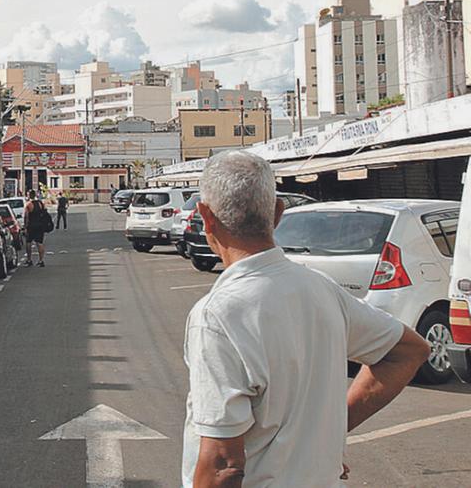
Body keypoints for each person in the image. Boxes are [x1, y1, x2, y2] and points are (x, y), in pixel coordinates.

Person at [183, 151, 429, 487]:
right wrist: (327, 435)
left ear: (205, 217)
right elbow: (408, 350)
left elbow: (223, 464)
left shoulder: (218, 315)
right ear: (278, 214)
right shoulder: (322, 289)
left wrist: (328, 433)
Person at [23, 190, 48, 267]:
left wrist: (25, 227)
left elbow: (26, 217)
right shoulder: (40, 203)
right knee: (40, 243)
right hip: (40, 225)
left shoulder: (28, 204)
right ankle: (41, 260)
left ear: (29, 195)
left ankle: (29, 260)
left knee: (29, 242)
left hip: (31, 226)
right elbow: (44, 213)